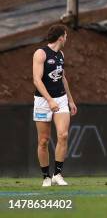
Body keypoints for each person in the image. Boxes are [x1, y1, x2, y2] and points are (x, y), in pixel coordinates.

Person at [32, 24, 77, 187]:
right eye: (66, 35)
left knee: (63, 135)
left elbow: (62, 78)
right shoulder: (40, 53)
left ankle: (57, 174)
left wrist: (70, 100)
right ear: (61, 37)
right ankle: (46, 177)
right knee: (43, 140)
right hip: (43, 101)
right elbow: (37, 80)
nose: (66, 38)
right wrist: (50, 100)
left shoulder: (61, 54)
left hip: (61, 99)